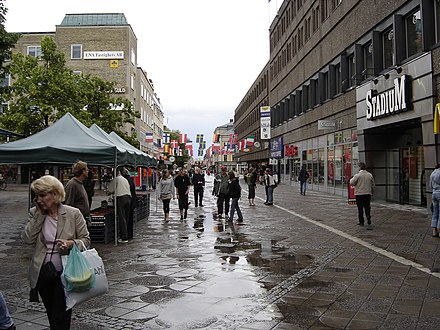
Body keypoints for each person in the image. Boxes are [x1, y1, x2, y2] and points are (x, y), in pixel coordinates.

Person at [22, 175, 90, 330]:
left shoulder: (73, 214)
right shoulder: (35, 213)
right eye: (36, 195)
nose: (38, 199)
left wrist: (71, 243)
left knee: (61, 317)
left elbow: (86, 240)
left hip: (66, 275)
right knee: (52, 315)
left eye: (42, 195)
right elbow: (27, 239)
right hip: (43, 274)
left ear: (55, 194)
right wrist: (39, 215)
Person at [107, 168, 132, 243]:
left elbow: (110, 190)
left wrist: (108, 192)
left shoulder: (116, 179)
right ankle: (125, 234)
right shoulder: (125, 179)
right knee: (126, 218)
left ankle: (124, 237)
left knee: (122, 218)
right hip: (128, 198)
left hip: (121, 198)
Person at [350, 162, 375, 226]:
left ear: (359, 167)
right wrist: (372, 192)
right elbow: (373, 185)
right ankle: (368, 216)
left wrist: (351, 178)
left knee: (360, 208)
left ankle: (361, 221)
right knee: (367, 206)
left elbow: (352, 182)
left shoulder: (357, 175)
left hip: (359, 194)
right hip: (367, 193)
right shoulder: (369, 175)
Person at [122, 168, 138, 240]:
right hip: (132, 201)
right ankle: (130, 234)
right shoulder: (130, 180)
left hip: (128, 200)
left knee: (127, 218)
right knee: (130, 218)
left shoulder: (125, 181)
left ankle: (127, 234)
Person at [430, 164, 440, 237]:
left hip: (434, 194)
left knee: (435, 213)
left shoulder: (432, 173)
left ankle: (434, 231)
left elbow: (430, 186)